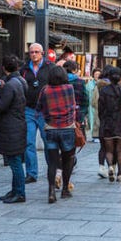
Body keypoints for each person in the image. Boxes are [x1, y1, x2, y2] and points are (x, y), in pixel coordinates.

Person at [36, 65, 76, 203]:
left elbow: (38, 107)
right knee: (67, 159)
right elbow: (73, 106)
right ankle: (65, 189)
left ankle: (51, 191)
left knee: (52, 163)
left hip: (51, 128)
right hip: (67, 127)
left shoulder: (45, 90)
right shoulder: (69, 89)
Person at [0, 55, 27, 204]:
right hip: (18, 124)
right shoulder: (20, 81)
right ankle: (15, 190)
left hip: (11, 127)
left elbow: (1, 105)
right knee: (15, 161)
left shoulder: (11, 85)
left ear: (4, 67)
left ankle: (19, 192)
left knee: (15, 162)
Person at [20, 42, 55, 184]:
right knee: (28, 142)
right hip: (28, 109)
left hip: (45, 111)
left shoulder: (50, 68)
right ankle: (31, 173)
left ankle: (51, 170)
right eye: (31, 52)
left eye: (36, 52)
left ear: (42, 53)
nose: (33, 54)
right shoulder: (24, 69)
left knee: (48, 142)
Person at [98, 67, 121, 183]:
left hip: (108, 123)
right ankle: (120, 174)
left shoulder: (103, 91)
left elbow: (100, 108)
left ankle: (111, 167)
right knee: (120, 150)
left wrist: (102, 119)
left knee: (109, 150)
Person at [61, 60, 88, 190]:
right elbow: (85, 100)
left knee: (59, 147)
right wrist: (82, 115)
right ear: (75, 70)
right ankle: (66, 178)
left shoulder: (58, 82)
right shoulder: (80, 82)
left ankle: (58, 172)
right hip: (75, 118)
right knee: (71, 148)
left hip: (59, 119)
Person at [86, 68, 102, 141]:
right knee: (92, 120)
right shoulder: (89, 84)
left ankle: (99, 134)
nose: (97, 76)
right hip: (91, 105)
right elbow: (86, 94)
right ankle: (94, 135)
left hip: (100, 105)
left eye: (99, 74)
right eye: (96, 74)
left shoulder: (102, 84)